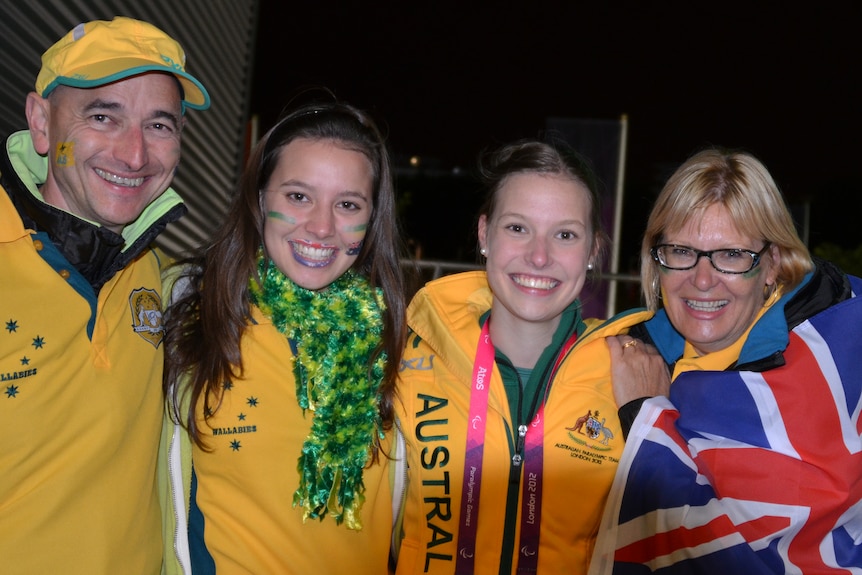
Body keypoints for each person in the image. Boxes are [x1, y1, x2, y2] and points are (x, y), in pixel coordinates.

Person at [391, 139, 667, 574]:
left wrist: (648, 415)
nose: (539, 256)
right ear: (485, 234)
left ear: (593, 251)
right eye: (517, 228)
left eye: (565, 235)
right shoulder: (407, 363)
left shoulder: (633, 374)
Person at [161, 98, 411, 574]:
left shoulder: (400, 338)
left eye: (347, 204)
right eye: (298, 196)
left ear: (371, 216)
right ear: (260, 200)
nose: (321, 226)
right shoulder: (190, 311)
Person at [0, 16, 209, 575]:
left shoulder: (166, 287)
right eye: (102, 116)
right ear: (42, 124)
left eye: (160, 125)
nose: (134, 154)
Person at [589, 148, 862, 574]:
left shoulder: (844, 344)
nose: (702, 280)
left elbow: (750, 555)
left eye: (732, 255)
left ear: (772, 264)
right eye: (681, 251)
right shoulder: (618, 352)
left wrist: (645, 416)